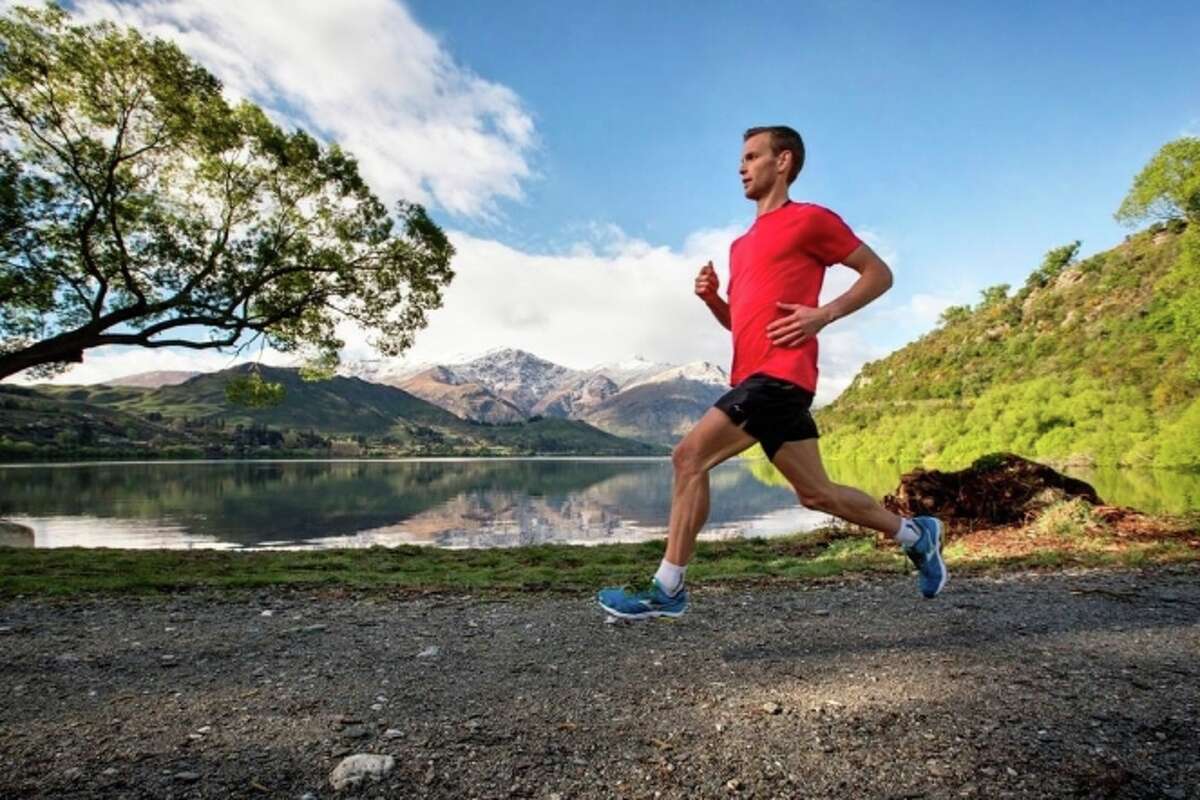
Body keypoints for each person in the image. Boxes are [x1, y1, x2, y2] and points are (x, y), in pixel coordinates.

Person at [597, 126, 946, 619]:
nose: (741, 167)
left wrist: (823, 313)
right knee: (815, 494)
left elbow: (879, 274)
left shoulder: (810, 220)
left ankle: (668, 587)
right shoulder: (741, 246)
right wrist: (713, 299)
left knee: (688, 458)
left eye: (751, 156)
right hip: (756, 379)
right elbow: (741, 326)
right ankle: (916, 534)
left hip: (782, 376)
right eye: (741, 159)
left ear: (782, 162)